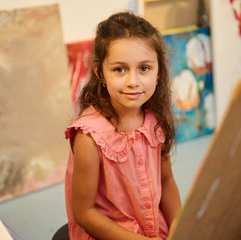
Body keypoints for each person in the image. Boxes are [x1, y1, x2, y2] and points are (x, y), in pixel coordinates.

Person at [64, 11, 182, 240]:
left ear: (158, 73)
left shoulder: (157, 118)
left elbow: (166, 180)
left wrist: (179, 223)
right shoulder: (89, 138)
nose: (133, 82)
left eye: (144, 68)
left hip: (152, 227)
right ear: (101, 73)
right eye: (120, 69)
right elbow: (84, 213)